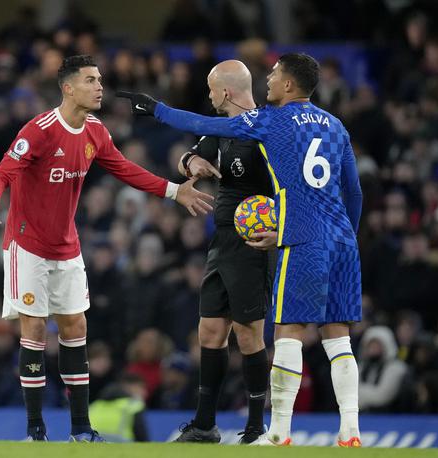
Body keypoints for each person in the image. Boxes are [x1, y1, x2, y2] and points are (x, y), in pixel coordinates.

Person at [118, 52, 363, 447]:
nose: (269, 79)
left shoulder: (270, 120)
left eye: (274, 74)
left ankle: (277, 431)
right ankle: (350, 430)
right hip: (341, 238)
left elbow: (201, 122)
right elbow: (353, 190)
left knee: (286, 334)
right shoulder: (336, 126)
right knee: (339, 338)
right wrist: (348, 235)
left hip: (300, 236)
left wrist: (157, 109)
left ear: (288, 85)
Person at [0, 54, 213, 442]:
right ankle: (36, 430)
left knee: (76, 326)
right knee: (34, 329)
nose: (100, 86)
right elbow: (5, 168)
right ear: (68, 88)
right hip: (28, 245)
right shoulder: (39, 130)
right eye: (91, 80)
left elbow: (124, 168)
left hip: (66, 246)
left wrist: (173, 191)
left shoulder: (96, 132)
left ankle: (81, 429)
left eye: (100, 79)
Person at [168, 60, 274, 444]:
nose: (209, 96)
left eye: (212, 89)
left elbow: (291, 185)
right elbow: (185, 159)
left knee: (249, 335)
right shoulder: (220, 130)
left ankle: (256, 427)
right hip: (222, 242)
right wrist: (190, 160)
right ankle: (204, 424)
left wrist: (278, 226)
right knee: (210, 331)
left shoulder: (266, 129)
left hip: (253, 244)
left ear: (226, 92)